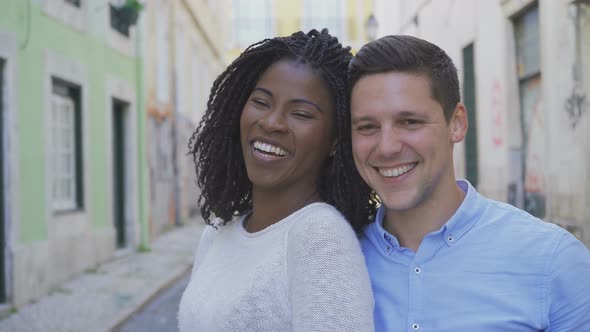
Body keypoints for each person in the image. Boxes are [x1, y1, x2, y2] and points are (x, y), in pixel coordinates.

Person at [348, 35, 590, 332]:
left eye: (409, 122)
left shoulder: (553, 261)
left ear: (457, 123)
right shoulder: (337, 261)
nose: (386, 147)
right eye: (367, 127)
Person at [178, 29, 376, 332]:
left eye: (301, 113)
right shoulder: (218, 232)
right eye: (261, 101)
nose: (271, 122)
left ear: (335, 141)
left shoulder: (319, 238)